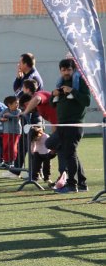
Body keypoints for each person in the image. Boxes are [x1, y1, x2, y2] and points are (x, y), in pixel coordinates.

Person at [45, 58, 91, 194]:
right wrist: (53, 95)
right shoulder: (60, 83)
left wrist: (72, 91)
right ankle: (81, 184)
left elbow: (87, 101)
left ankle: (72, 185)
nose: (66, 72)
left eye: (69, 69)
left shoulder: (80, 82)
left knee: (70, 154)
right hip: (62, 125)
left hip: (74, 124)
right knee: (55, 145)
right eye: (63, 70)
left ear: (74, 69)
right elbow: (52, 104)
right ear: (60, 71)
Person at [0, 96, 22, 168]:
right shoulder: (5, 110)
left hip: (15, 132)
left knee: (13, 147)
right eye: (16, 103)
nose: (17, 105)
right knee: (6, 146)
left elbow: (18, 116)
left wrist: (9, 115)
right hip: (6, 132)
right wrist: (2, 119)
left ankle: (13, 161)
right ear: (9, 104)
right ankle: (6, 161)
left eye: (18, 103)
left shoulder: (18, 111)